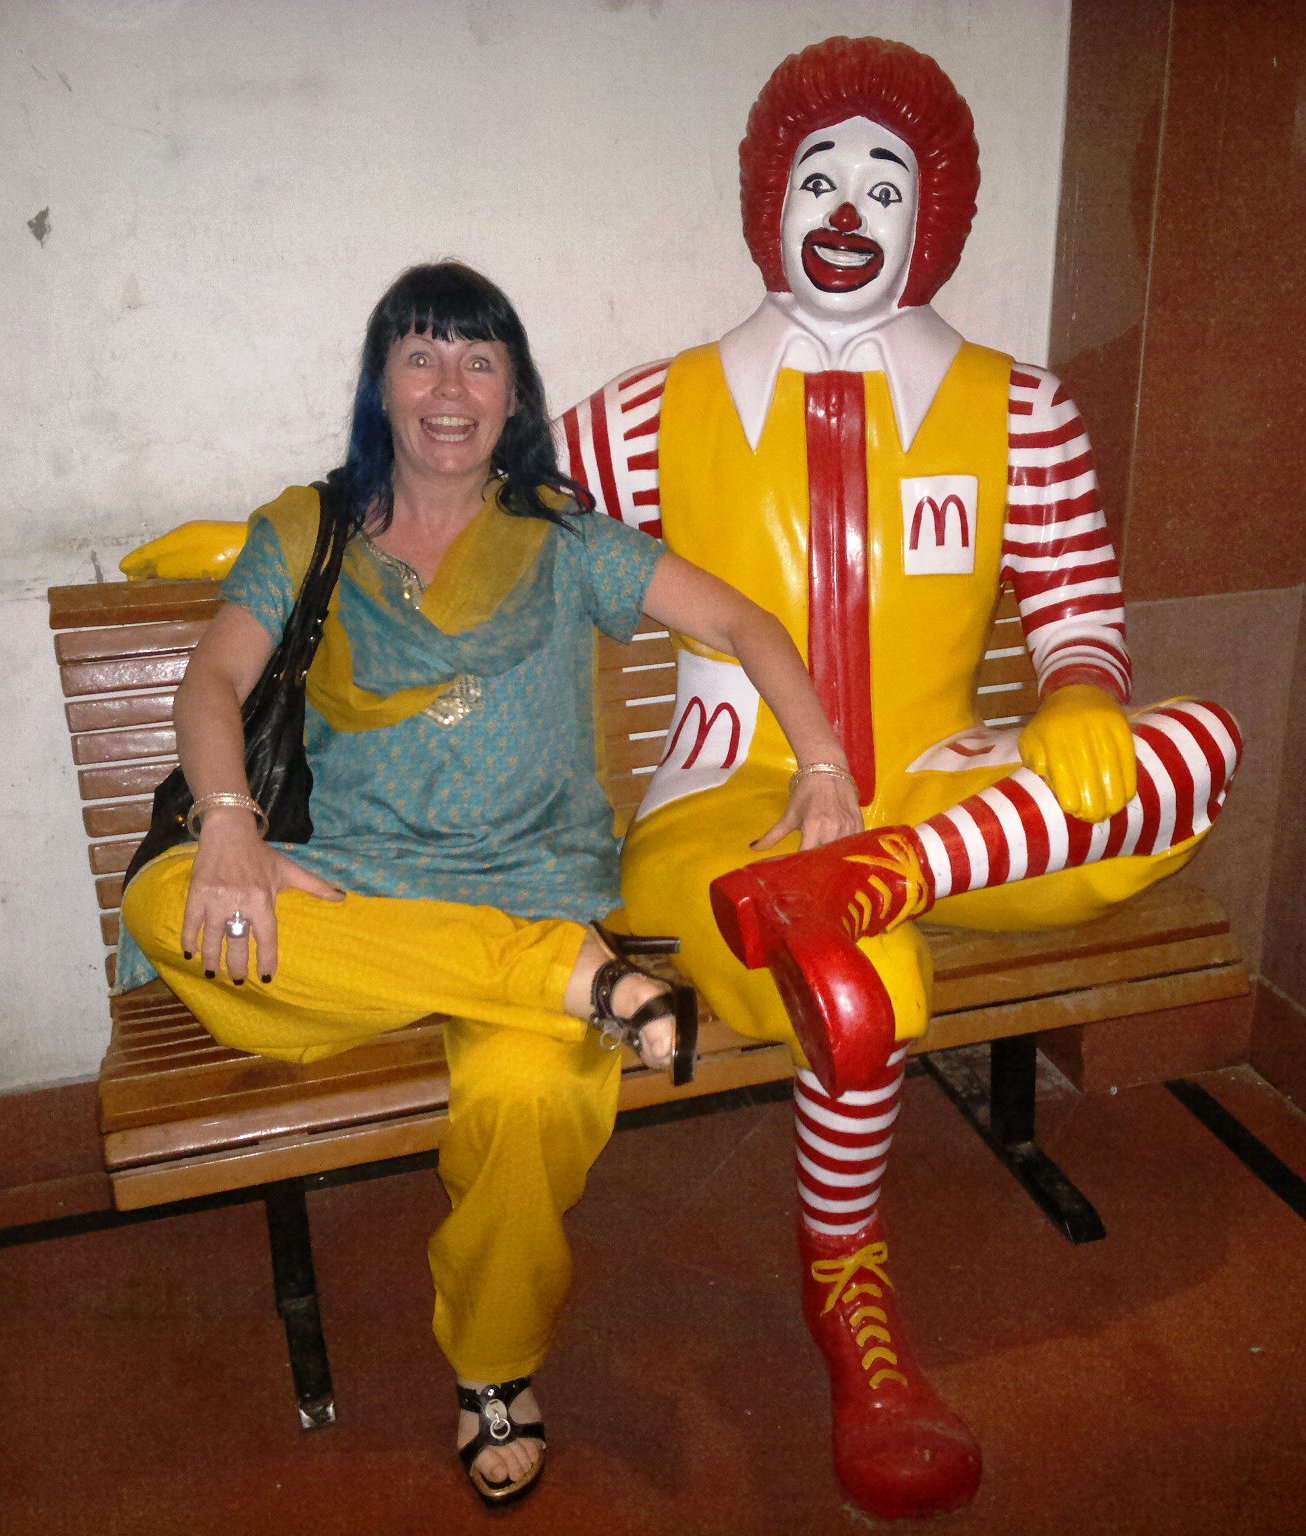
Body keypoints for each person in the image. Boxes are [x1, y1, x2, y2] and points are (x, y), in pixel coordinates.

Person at [557, 36, 1242, 1520]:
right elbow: (470, 530)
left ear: (935, 215)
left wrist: (1079, 696)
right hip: (730, 803)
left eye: (885, 184)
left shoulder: (1021, 410)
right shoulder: (642, 414)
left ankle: (886, 873)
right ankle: (851, 1289)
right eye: (820, 175)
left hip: (941, 792)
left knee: (1196, 748)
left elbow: (1075, 612)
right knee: (863, 982)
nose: (847, 210)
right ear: (767, 196)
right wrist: (280, 551)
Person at [118, 261, 864, 1506]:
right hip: (353, 905)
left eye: (478, 359)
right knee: (165, 901)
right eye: (420, 356)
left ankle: (496, 1370)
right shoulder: (307, 530)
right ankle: (572, 981)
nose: (449, 387)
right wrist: (231, 826)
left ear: (514, 392)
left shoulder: (567, 541)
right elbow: (213, 685)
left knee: (528, 1093)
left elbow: (747, 624)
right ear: (381, 386)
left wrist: (823, 767)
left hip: (528, 887)